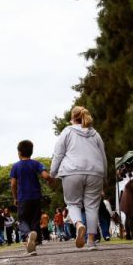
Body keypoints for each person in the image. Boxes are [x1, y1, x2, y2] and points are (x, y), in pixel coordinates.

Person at [50, 106, 108, 250]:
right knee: (92, 207)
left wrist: (52, 173)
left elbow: (58, 154)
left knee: (73, 204)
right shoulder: (95, 134)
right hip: (95, 172)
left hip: (72, 171)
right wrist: (104, 176)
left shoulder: (67, 132)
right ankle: (91, 241)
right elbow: (103, 157)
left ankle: (78, 224)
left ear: (72, 117)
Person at [10, 140, 52, 256]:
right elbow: (45, 176)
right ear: (31, 152)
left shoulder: (16, 167)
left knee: (22, 219)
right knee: (34, 221)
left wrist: (15, 197)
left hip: (23, 197)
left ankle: (28, 235)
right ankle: (33, 246)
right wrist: (50, 181)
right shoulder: (36, 164)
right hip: (36, 197)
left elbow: (13, 184)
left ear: (19, 152)